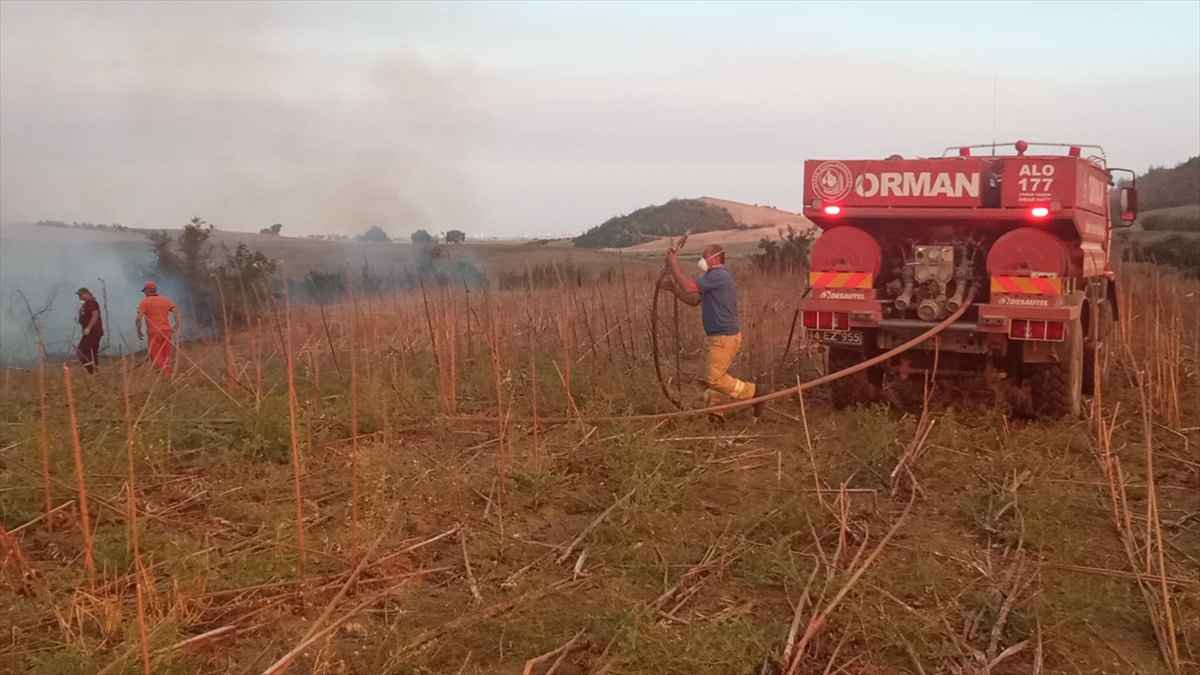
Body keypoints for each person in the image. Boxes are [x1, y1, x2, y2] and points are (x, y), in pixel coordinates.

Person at [661, 244, 764, 422]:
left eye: (704, 256)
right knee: (708, 378)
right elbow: (692, 299)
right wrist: (672, 289)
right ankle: (716, 415)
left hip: (724, 336)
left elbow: (688, 287)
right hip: (716, 336)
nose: (701, 260)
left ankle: (755, 392)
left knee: (714, 377)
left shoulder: (719, 275)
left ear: (715, 258)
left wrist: (672, 264)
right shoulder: (711, 279)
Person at [135, 282, 180, 373]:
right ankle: (167, 373)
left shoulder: (145, 302)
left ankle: (162, 374)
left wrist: (139, 331)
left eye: (145, 291)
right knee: (166, 354)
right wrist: (177, 324)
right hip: (167, 331)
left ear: (147, 291)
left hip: (154, 332)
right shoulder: (165, 300)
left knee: (155, 354)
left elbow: (139, 318)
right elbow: (176, 311)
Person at [75, 287, 103, 373]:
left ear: (87, 293)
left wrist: (88, 328)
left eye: (81, 294)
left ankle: (90, 368)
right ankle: (95, 371)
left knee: (81, 350)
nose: (79, 297)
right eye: (79, 295)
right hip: (92, 332)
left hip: (93, 332)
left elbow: (95, 315)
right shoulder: (86, 304)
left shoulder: (91, 302)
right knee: (92, 352)